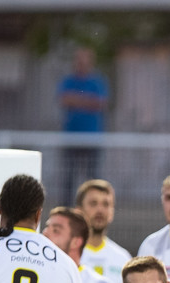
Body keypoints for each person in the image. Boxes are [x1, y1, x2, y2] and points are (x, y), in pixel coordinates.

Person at [58, 47, 109, 204]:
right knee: (68, 177)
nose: (81, 64)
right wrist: (87, 101)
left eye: (84, 60)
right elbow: (64, 100)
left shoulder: (97, 82)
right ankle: (67, 208)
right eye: (78, 60)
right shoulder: (68, 80)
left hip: (92, 137)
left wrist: (76, 100)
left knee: (92, 177)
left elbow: (100, 103)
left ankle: (93, 205)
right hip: (71, 137)